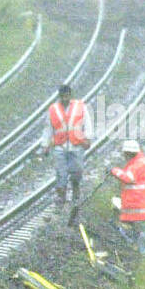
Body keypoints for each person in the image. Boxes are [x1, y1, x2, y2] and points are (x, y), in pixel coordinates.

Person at [42, 83, 90, 220]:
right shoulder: (53, 110)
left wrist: (88, 138)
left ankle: (76, 193)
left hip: (76, 146)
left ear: (70, 95)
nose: (65, 99)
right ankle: (61, 199)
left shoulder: (80, 106)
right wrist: (45, 145)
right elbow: (48, 128)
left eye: (67, 96)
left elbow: (87, 122)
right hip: (60, 147)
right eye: (63, 96)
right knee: (60, 174)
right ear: (59, 96)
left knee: (77, 171)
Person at [110, 140, 145, 254]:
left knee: (144, 234)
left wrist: (114, 170)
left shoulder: (136, 164)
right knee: (142, 232)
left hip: (142, 208)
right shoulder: (139, 161)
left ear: (128, 153)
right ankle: (143, 253)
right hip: (142, 207)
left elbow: (128, 178)